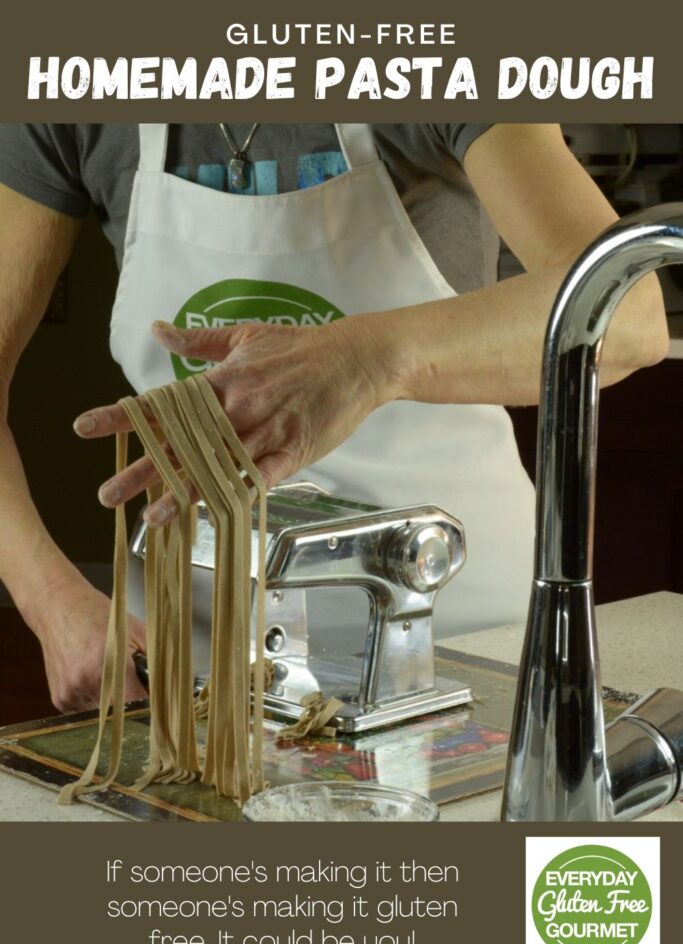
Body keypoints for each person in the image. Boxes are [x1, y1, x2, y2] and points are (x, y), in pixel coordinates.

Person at [0, 123, 668, 714]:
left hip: (459, 635)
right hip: (197, 650)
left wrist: (364, 359)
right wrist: (50, 601)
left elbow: (628, 314)